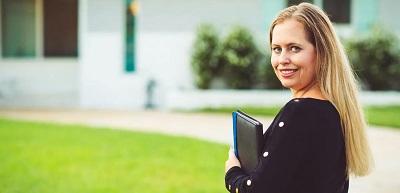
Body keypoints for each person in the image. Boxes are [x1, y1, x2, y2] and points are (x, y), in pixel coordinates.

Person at [224, 3, 373, 193]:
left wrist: (233, 172)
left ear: (322, 53)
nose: (282, 60)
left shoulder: (301, 112)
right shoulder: (332, 110)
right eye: (276, 49)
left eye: (294, 48)